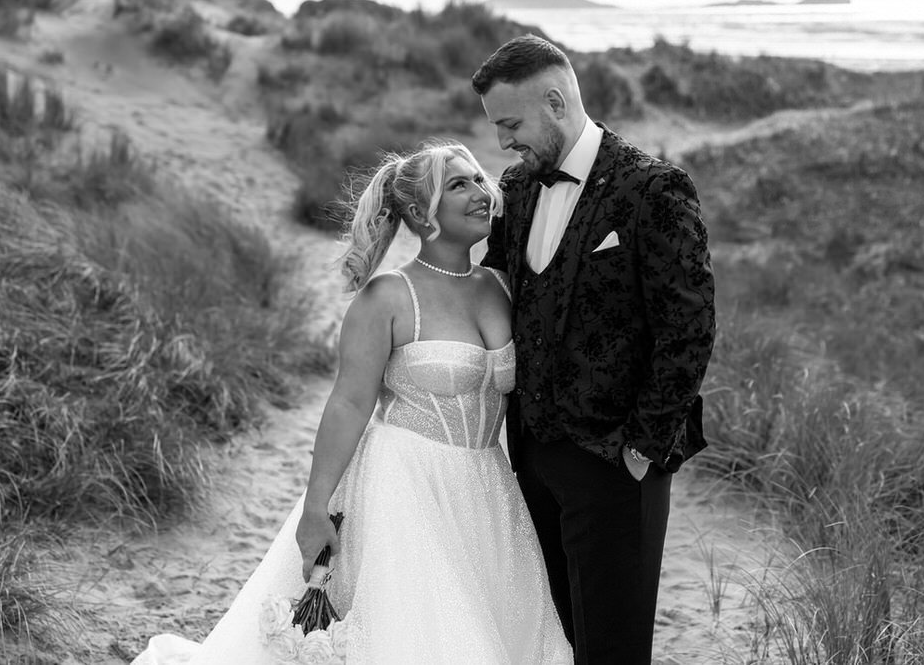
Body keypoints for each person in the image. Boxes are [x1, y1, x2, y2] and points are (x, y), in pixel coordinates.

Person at [132, 140, 572, 665]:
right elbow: (347, 404)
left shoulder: (499, 284)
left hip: (488, 488)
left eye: (479, 179)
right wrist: (316, 507)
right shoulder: (387, 296)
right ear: (418, 211)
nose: (481, 192)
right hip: (403, 485)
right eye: (458, 185)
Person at [473, 35, 716, 665]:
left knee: (612, 647)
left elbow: (687, 329)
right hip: (532, 454)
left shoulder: (653, 189)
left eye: (511, 124)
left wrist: (640, 447)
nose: (504, 142)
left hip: (617, 462)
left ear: (555, 101)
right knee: (554, 638)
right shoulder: (518, 188)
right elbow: (496, 292)